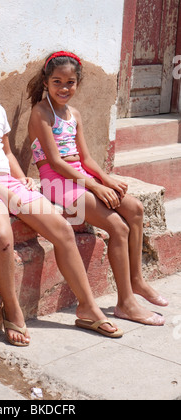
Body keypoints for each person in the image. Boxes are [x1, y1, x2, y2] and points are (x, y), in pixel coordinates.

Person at [0, 44, 125, 347]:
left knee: (62, 229)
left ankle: (88, 308)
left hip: (7, 183)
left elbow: (6, 151)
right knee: (2, 237)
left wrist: (20, 177)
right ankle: (13, 311)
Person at [27, 51, 168, 327]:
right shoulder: (40, 112)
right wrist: (93, 186)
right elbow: (55, 162)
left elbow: (86, 159)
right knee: (119, 227)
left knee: (135, 209)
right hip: (55, 180)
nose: (64, 88)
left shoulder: (74, 114)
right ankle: (126, 304)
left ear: (77, 83)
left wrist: (106, 179)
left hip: (78, 174)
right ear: (46, 82)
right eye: (57, 82)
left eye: (70, 82)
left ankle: (137, 280)